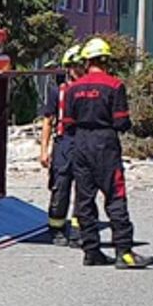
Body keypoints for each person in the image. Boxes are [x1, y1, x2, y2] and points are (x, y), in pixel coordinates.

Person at [58, 36, 146, 270]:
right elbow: (122, 122)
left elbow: (66, 123)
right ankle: (124, 252)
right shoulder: (115, 86)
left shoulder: (72, 89)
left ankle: (91, 251)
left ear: (86, 62)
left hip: (81, 144)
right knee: (115, 197)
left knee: (84, 200)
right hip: (105, 144)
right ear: (106, 60)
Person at [40, 44, 84, 247]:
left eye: (82, 65)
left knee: (84, 189)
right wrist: (44, 150)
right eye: (75, 66)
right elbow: (48, 120)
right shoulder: (57, 91)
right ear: (67, 67)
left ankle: (78, 232)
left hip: (84, 143)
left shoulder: (90, 91)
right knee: (61, 187)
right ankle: (56, 228)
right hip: (64, 143)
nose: (79, 70)